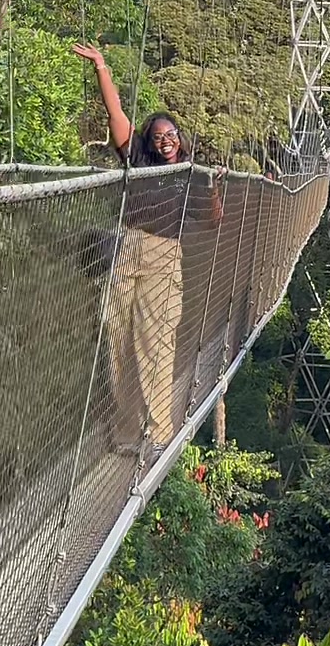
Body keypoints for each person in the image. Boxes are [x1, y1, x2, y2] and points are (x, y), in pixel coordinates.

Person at [74, 44, 223, 460]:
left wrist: (212, 187)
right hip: (125, 247)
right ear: (148, 141)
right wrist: (102, 68)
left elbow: (212, 222)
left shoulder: (190, 174)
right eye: (158, 136)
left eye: (171, 134)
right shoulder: (137, 156)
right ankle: (124, 430)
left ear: (180, 139)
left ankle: (158, 433)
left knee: (154, 342)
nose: (165, 140)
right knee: (115, 340)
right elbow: (116, 116)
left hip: (162, 256)